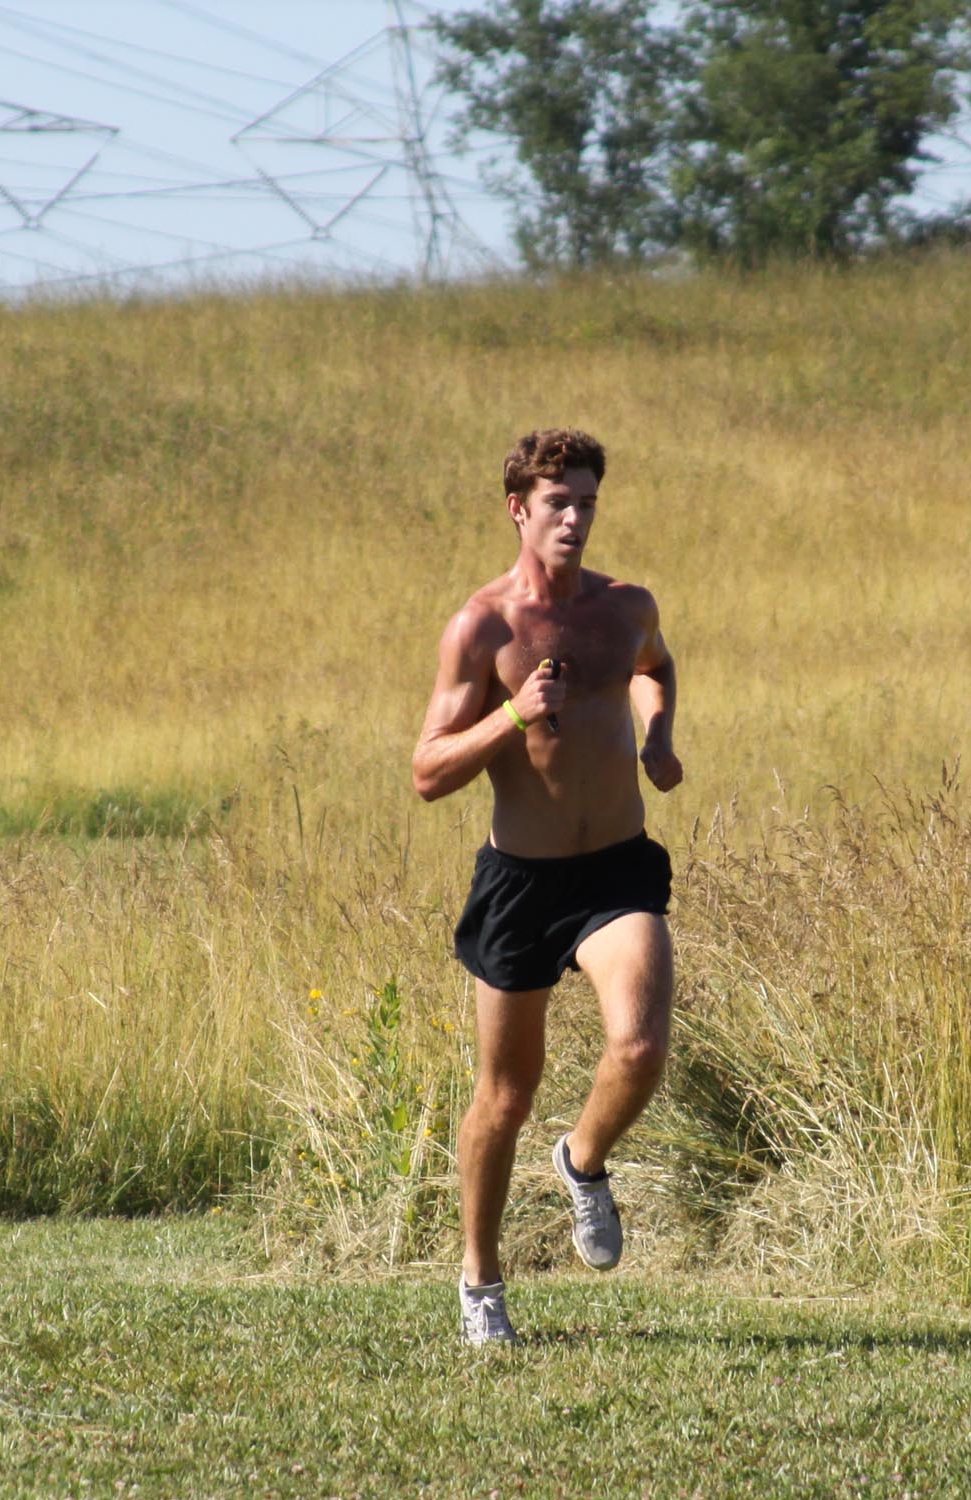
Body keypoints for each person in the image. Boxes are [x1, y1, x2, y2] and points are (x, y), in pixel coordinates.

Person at [411, 428, 682, 1345]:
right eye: (558, 502)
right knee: (505, 1096)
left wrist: (656, 737)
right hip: (522, 884)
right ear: (519, 510)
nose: (575, 518)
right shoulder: (483, 626)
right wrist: (514, 716)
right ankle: (480, 1287)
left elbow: (654, 666)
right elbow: (427, 771)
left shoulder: (625, 606)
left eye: (588, 503)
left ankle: (582, 1160)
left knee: (640, 1047)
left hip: (615, 867)